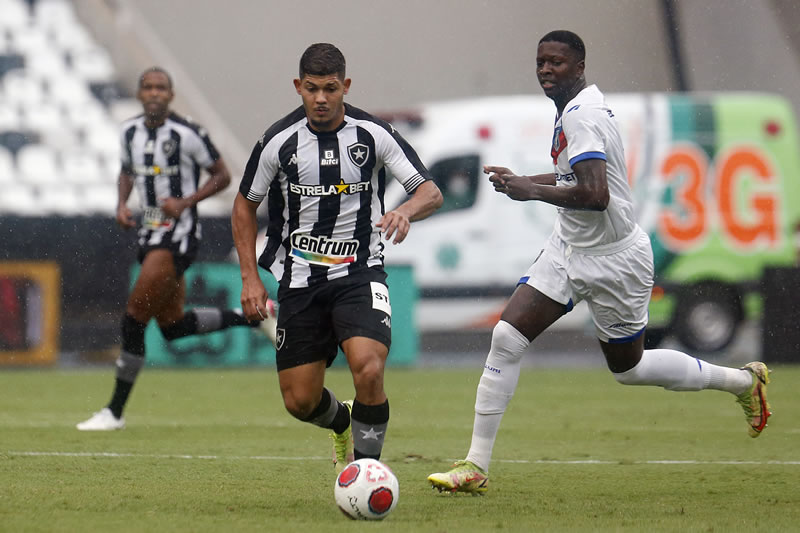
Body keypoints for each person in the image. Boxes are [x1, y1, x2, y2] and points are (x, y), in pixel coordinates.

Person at [427, 30, 771, 494]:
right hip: (569, 250)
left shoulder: (583, 116)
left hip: (616, 260)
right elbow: (577, 175)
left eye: (557, 63)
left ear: (580, 66)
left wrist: (531, 191)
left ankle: (740, 382)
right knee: (506, 336)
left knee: (629, 369)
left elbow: (594, 194)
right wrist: (525, 178)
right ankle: (475, 465)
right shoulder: (578, 108)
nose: (546, 70)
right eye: (541, 61)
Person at [232, 43, 442, 472]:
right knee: (300, 401)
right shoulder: (277, 141)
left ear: (345, 86)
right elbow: (242, 207)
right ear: (298, 87)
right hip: (300, 280)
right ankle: (342, 421)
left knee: (368, 368)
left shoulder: (373, 134)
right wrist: (249, 278)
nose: (322, 99)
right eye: (312, 89)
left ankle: (365, 473)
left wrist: (404, 210)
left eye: (330, 88)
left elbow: (430, 192)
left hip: (360, 275)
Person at [77, 67, 277, 431]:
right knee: (173, 326)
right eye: (148, 87)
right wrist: (122, 203)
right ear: (140, 94)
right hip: (148, 231)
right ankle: (252, 314)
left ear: (170, 95)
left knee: (134, 318)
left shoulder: (188, 134)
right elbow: (127, 171)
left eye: (161, 88)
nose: (154, 93)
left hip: (178, 234)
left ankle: (114, 412)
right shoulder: (129, 132)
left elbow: (222, 175)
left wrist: (186, 201)